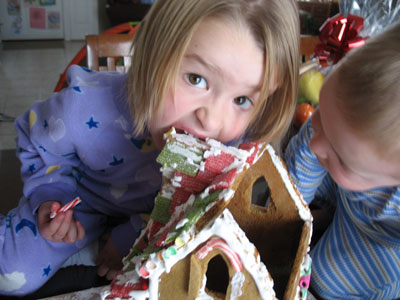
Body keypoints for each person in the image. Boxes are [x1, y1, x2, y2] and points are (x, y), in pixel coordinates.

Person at [0, 0, 300, 296]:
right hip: (79, 204)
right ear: (152, 56)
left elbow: (197, 202)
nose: (212, 121)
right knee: (11, 276)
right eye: (196, 79)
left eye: (242, 100)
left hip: (159, 219)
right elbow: (33, 139)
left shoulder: (233, 140)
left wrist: (133, 233)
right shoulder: (82, 108)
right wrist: (50, 199)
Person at [285, 22, 400, 300]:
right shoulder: (335, 132)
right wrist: (291, 210)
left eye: (340, 154)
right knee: (294, 172)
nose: (315, 143)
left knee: (324, 278)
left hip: (377, 238)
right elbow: (306, 160)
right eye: (321, 115)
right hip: (344, 189)